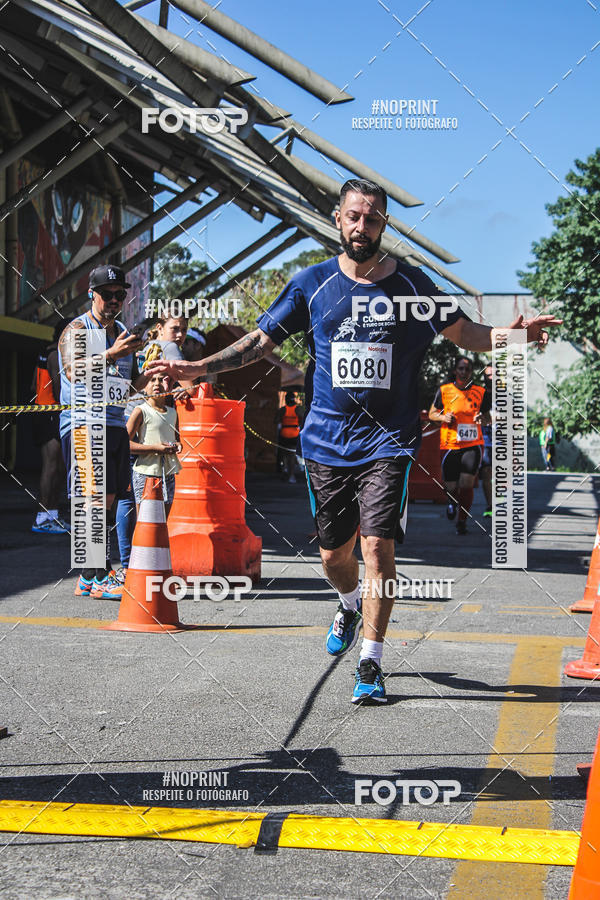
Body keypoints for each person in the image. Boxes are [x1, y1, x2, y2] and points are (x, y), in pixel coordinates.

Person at [147, 178, 561, 704]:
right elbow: (258, 343)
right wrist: (195, 366)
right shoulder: (312, 284)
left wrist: (516, 333)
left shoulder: (413, 287)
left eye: (372, 218)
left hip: (389, 441)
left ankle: (371, 661)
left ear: (384, 224)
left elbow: (470, 335)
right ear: (337, 218)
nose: (361, 226)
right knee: (331, 556)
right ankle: (347, 602)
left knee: (376, 546)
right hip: (325, 442)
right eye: (353, 216)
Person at [58, 264, 148, 600]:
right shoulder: (78, 328)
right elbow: (72, 370)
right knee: (91, 499)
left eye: (120, 295)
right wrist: (111, 353)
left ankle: (88, 577)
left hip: (113, 423)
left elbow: (129, 387)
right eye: (107, 294)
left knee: (108, 500)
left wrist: (148, 374)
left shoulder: (122, 331)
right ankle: (97, 575)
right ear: (92, 294)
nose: (114, 300)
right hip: (84, 422)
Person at [428, 357, 491, 534]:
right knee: (450, 485)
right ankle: (451, 502)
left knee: (467, 483)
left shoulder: (480, 392)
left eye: (467, 369)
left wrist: (482, 419)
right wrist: (442, 417)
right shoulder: (444, 391)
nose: (464, 372)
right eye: (461, 369)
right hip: (450, 444)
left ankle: (462, 521)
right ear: (455, 371)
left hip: (473, 444)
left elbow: (488, 418)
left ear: (471, 372)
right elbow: (432, 414)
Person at [31, 318, 72, 534]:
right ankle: (42, 516)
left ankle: (52, 515)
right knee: (52, 466)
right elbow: (60, 389)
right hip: (50, 413)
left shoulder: (44, 351)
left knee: (58, 467)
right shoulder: (56, 354)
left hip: (45, 412)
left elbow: (33, 384)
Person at [127, 373, 181, 513]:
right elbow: (125, 444)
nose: (157, 384)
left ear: (169, 386)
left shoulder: (173, 413)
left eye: (162, 380)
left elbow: (176, 439)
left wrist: (178, 446)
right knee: (145, 521)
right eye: (152, 380)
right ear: (144, 387)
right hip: (145, 473)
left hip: (168, 474)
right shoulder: (140, 411)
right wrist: (154, 448)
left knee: (163, 520)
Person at [277, 391, 302, 483]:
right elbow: (302, 420)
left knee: (284, 455)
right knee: (291, 456)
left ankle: (285, 471)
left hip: (284, 433)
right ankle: (291, 476)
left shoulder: (283, 410)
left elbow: (276, 420)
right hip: (294, 434)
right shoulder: (298, 409)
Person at [479, 364, 493, 517]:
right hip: (485, 438)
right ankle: (490, 505)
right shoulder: (480, 394)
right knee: (486, 471)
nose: (491, 378)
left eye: (493, 375)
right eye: (488, 375)